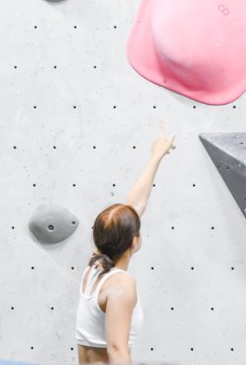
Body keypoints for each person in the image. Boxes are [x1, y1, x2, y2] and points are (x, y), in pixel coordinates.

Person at [75, 122, 175, 364]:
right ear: (135, 241)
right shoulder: (121, 283)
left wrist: (155, 157)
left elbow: (134, 207)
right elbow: (117, 350)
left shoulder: (95, 268)